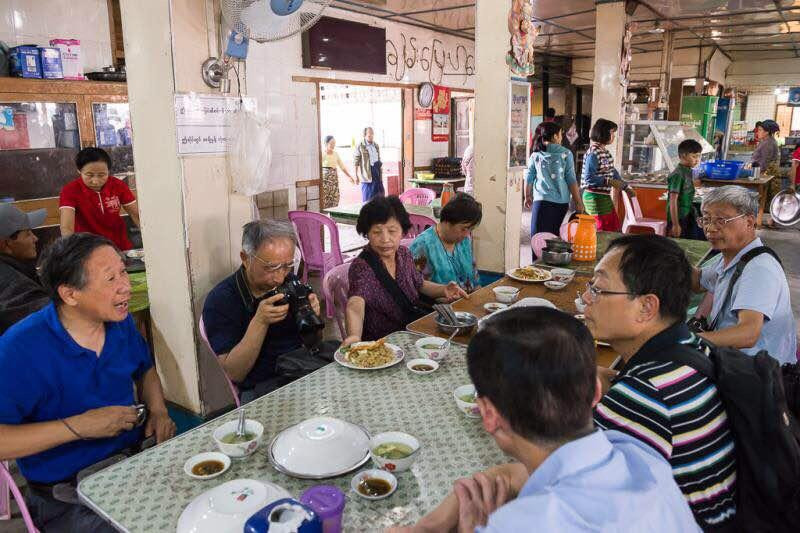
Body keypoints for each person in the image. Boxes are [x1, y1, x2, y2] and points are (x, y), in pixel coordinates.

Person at [390, 307, 699, 532]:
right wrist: (428, 526)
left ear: (488, 414)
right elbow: (513, 474)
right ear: (595, 391)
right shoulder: (635, 452)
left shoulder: (526, 523)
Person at [0, 233, 175, 532]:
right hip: (65, 491)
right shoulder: (19, 349)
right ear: (70, 294)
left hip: (132, 462)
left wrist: (158, 410)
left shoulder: (120, 324)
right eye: (110, 279)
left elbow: (144, 369)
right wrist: (78, 427)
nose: (125, 286)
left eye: (123, 272)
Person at [584, 234, 737, 529]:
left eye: (599, 288)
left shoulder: (646, 391)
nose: (587, 298)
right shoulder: (692, 345)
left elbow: (577, 483)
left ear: (646, 308)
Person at [203, 220, 335, 403]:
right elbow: (235, 373)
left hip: (303, 369)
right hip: (263, 387)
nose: (280, 276)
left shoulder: (290, 282)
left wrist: (312, 315)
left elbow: (314, 344)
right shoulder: (222, 300)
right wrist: (260, 322)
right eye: (271, 267)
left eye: (287, 265)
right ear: (245, 258)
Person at [691, 186, 797, 364]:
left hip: (759, 374)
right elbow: (699, 282)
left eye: (721, 220)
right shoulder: (730, 256)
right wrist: (669, 256)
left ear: (749, 222)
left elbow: (747, 334)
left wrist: (689, 342)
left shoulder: (759, 269)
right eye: (706, 219)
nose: (710, 228)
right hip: (737, 361)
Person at [343, 196, 468, 345]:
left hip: (412, 330)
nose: (385, 239)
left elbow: (419, 284)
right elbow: (355, 304)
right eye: (377, 232)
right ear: (367, 233)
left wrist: (444, 290)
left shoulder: (404, 254)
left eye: (392, 231)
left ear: (402, 232)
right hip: (384, 342)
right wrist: (354, 336)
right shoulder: (362, 267)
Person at [59, 147, 140, 251]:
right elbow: (67, 227)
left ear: (108, 171)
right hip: (87, 250)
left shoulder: (118, 185)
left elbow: (136, 215)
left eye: (102, 175)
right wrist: (69, 251)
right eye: (89, 175)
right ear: (79, 171)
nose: (96, 181)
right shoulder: (69, 190)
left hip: (119, 246)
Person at [525, 122, 584, 249]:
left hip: (541, 202)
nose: (561, 137)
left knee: (537, 238)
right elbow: (571, 180)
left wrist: (527, 195)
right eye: (560, 134)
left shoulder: (536, 154)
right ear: (554, 136)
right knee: (553, 237)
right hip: (561, 202)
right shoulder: (566, 154)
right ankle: (552, 264)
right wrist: (578, 201)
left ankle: (536, 266)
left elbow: (529, 177)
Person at [409, 192, 482, 292]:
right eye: (464, 229)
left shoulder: (464, 241)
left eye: (470, 229)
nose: (466, 234)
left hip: (466, 301)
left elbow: (474, 278)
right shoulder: (422, 246)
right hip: (438, 304)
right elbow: (416, 286)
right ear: (447, 222)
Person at [0, 204, 49, 334]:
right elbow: (54, 318)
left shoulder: (14, 269)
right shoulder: (14, 286)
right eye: (28, 234)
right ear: (6, 243)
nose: (35, 238)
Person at [581, 119, 634, 231]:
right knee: (602, 229)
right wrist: (608, 181)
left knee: (613, 226)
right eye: (612, 132)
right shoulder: (593, 152)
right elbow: (589, 178)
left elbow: (612, 171)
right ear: (604, 133)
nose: (613, 136)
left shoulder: (604, 152)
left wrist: (625, 186)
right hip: (594, 196)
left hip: (603, 196)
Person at [667, 139, 704, 240]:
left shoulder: (687, 171)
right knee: (677, 244)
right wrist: (675, 224)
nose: (697, 160)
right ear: (683, 156)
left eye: (699, 156)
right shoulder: (678, 174)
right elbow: (672, 201)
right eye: (694, 156)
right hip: (678, 217)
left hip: (687, 213)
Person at [321, 135, 355, 210]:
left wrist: (349, 176)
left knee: (335, 199)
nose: (333, 145)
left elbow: (342, 166)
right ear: (326, 144)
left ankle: (332, 218)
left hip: (334, 181)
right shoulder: (322, 154)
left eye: (334, 143)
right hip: (325, 183)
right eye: (331, 143)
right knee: (325, 200)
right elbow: (318, 168)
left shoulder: (335, 154)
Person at [353, 127, 385, 202]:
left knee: (380, 197)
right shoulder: (360, 146)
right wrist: (356, 175)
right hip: (367, 175)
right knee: (368, 199)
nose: (371, 136)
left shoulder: (376, 145)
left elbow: (378, 158)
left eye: (372, 133)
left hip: (377, 172)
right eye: (369, 134)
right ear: (364, 135)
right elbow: (356, 161)